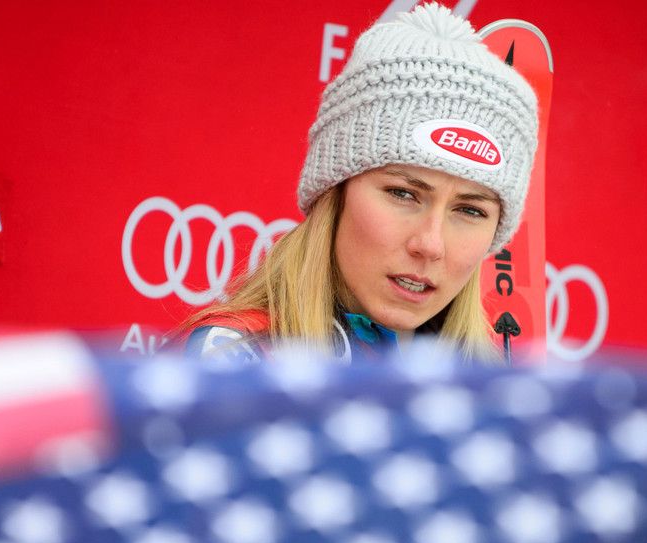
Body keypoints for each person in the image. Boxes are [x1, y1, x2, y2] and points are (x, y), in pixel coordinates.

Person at [184, 3, 538, 364]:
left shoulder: (491, 384)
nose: (430, 245)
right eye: (403, 193)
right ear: (335, 191)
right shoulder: (237, 359)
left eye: (470, 210)